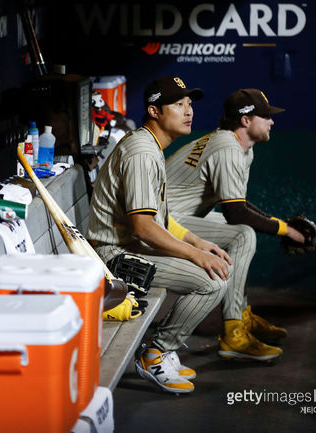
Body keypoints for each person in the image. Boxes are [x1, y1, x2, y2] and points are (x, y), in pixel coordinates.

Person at [88, 76, 234, 394]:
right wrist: (195, 255)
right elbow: (143, 226)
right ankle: (156, 354)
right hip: (112, 258)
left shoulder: (150, 146)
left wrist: (198, 242)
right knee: (212, 281)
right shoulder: (141, 152)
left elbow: (160, 219)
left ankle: (163, 350)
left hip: (128, 247)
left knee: (213, 269)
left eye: (189, 103)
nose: (188, 110)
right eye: (178, 104)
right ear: (154, 111)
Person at [164, 88, 303, 362]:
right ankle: (233, 331)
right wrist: (286, 231)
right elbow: (236, 214)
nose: (271, 121)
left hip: (177, 217)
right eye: (265, 116)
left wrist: (281, 224)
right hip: (162, 224)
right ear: (246, 121)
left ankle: (241, 315)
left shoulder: (238, 147)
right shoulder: (227, 148)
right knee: (242, 235)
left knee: (244, 236)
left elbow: (240, 204)